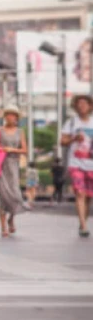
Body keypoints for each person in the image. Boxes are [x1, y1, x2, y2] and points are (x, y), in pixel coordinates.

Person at [0, 106, 27, 238]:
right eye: (8, 115)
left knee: (16, 195)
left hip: (13, 165)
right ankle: (3, 227)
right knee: (3, 197)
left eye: (13, 115)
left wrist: (12, 150)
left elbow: (24, 150)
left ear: (17, 118)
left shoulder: (20, 132)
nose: (10, 117)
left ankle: (11, 218)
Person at [61, 94, 93, 238]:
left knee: (88, 197)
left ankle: (82, 222)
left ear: (90, 106)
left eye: (84, 104)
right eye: (79, 104)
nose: (82, 106)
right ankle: (84, 225)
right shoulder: (71, 122)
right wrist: (74, 138)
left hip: (91, 164)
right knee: (80, 193)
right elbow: (62, 141)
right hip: (76, 164)